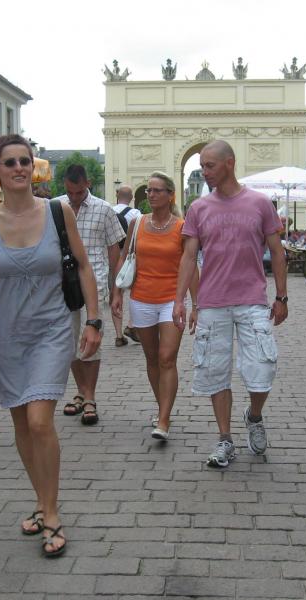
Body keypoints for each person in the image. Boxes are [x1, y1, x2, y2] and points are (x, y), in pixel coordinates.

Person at [0, 134, 101, 557]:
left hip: (52, 329)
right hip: (7, 334)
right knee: (21, 424)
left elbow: (84, 266)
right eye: (10, 162)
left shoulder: (57, 211)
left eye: (24, 161)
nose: (19, 168)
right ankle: (41, 500)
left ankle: (52, 513)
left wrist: (94, 321)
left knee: (40, 421)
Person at [173, 140, 288, 468]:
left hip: (252, 299)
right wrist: (180, 300)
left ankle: (254, 415)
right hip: (212, 302)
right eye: (201, 166)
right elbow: (189, 257)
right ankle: (225, 439)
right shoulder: (199, 208)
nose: (204, 172)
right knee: (214, 372)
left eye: (209, 165)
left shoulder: (260, 203)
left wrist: (281, 297)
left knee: (263, 368)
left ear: (229, 163)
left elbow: (277, 252)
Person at [111, 171, 198, 441]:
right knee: (151, 358)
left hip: (172, 300)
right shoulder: (137, 222)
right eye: (148, 190)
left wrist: (196, 304)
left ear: (170, 195)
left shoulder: (182, 227)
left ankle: (163, 419)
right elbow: (124, 256)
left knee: (166, 358)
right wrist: (117, 293)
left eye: (157, 190)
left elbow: (191, 265)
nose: (150, 194)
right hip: (141, 299)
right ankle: (163, 407)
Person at [54, 164, 125, 424]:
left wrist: (116, 289)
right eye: (70, 192)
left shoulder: (104, 209)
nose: (74, 197)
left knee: (91, 341)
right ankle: (81, 392)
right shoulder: (55, 207)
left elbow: (114, 251)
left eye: (79, 192)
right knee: (70, 342)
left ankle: (90, 396)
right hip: (64, 284)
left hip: (95, 284)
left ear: (88, 183)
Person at [111, 184, 141, 346]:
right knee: (135, 293)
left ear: (117, 195)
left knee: (116, 294)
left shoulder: (108, 210)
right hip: (130, 259)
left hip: (111, 257)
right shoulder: (136, 214)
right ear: (131, 198)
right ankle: (131, 324)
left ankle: (118, 335)